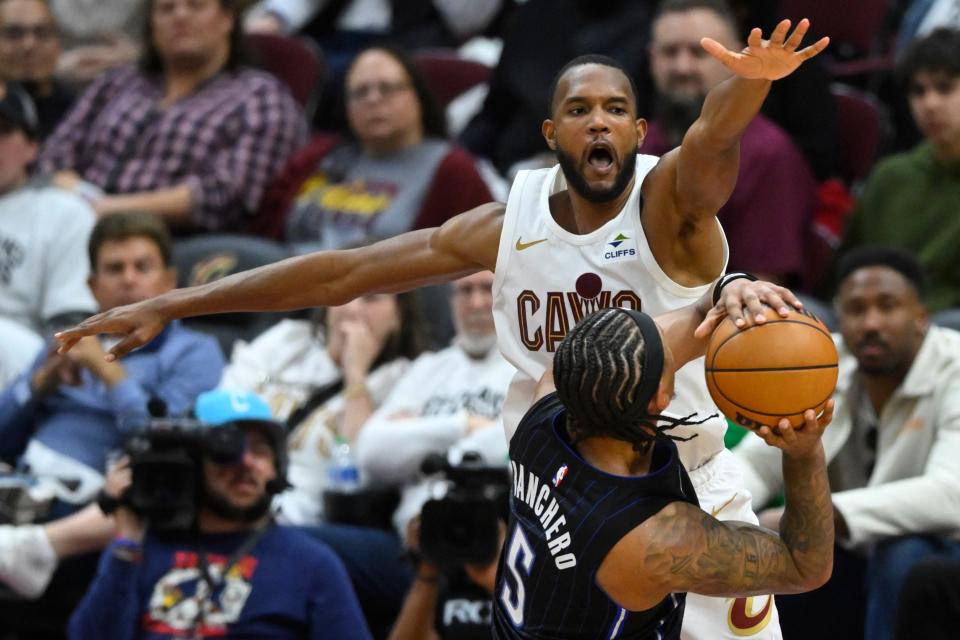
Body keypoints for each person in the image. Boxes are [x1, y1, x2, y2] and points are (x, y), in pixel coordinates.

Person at [57, 19, 830, 640]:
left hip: (675, 474)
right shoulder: (508, 222)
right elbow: (343, 273)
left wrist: (746, 86)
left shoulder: (668, 206)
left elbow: (711, 144)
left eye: (617, 110)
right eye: (580, 110)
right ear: (551, 132)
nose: (600, 123)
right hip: (553, 468)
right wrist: (174, 303)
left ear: (637, 131)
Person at [492, 301, 834, 638]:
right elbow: (804, 565)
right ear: (662, 397)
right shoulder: (657, 539)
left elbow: (695, 318)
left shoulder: (542, 411)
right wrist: (804, 453)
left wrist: (730, 289)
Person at [735, 246, 960, 640]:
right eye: (856, 309)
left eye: (888, 306)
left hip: (942, 553)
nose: (871, 322)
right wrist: (725, 513)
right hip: (860, 553)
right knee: (788, 555)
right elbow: (756, 463)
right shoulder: (823, 360)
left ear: (921, 317)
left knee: (900, 556)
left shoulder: (955, 365)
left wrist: (824, 514)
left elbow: (951, 494)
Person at [67, 388, 372, 640]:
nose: (246, 463)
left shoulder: (312, 564)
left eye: (261, 450)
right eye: (227, 448)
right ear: (192, 462)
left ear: (277, 468)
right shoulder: (140, 549)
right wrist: (126, 544)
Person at [0, 212, 223, 552]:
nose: (128, 280)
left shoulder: (194, 352)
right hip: (21, 484)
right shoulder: (69, 342)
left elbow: (162, 446)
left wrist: (108, 373)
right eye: (115, 269)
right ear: (93, 286)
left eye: (142, 267)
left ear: (169, 281)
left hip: (100, 505)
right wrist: (37, 385)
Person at [37, 0, 307, 234]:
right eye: (166, 8)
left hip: (176, 246)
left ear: (227, 19)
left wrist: (107, 210)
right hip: (70, 224)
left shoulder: (260, 97)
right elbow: (54, 153)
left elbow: (228, 194)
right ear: (151, 24)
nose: (180, 16)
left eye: (196, 5)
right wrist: (73, 194)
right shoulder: (118, 82)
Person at [641, 0, 816, 285]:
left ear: (736, 58)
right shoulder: (639, 141)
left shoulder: (768, 153)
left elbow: (763, 285)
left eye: (699, 53)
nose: (682, 67)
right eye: (670, 52)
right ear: (651, 58)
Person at [220, 289, 427, 525]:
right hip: (230, 494)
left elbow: (361, 470)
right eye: (345, 295)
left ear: (399, 317)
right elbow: (221, 408)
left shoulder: (406, 380)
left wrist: (355, 373)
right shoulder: (288, 340)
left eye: (371, 299)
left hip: (302, 521)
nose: (353, 309)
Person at [255, 45, 492, 248]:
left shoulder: (453, 171)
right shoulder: (317, 157)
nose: (373, 99)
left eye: (387, 88)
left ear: (417, 96)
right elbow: (263, 236)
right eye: (360, 92)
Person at [839, 28, 960, 311]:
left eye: (944, 88)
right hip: (873, 319)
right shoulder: (890, 177)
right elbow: (848, 268)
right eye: (918, 91)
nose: (929, 104)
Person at [0, 80, 95, 338]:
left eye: (4, 130)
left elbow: (70, 320)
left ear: (32, 147)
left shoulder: (63, 211)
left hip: (28, 350)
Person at [0, 0, 74, 139]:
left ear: (58, 43)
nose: (29, 45)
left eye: (42, 32)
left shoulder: (80, 112)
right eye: (14, 33)